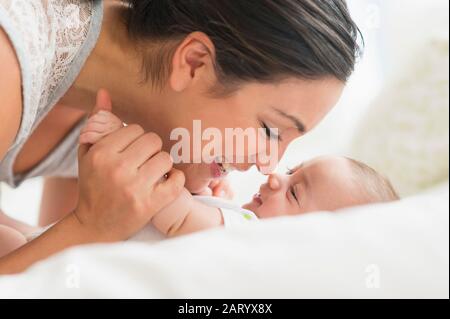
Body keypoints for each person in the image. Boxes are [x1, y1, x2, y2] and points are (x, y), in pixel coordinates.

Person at [0, 0, 361, 273]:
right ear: (194, 63)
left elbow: (56, 264)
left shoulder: (113, 121)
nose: (268, 164)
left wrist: (128, 220)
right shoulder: (10, 62)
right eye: (270, 130)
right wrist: (90, 226)